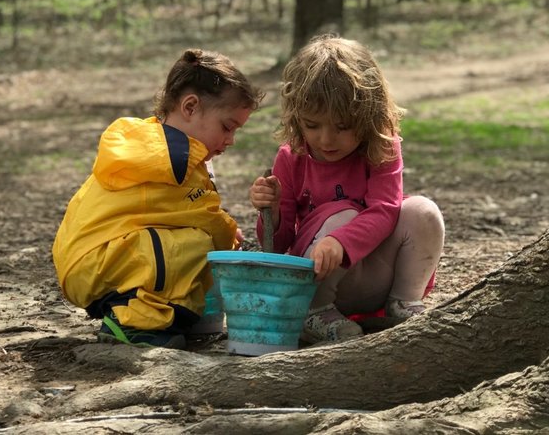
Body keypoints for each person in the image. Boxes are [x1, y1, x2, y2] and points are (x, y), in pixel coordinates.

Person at [53, 49, 263, 350]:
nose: (230, 140)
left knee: (186, 240)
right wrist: (232, 241)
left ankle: (153, 315)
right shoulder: (171, 162)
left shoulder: (149, 144)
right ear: (190, 107)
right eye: (227, 127)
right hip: (97, 263)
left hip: (88, 260)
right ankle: (133, 324)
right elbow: (205, 218)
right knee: (197, 243)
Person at [249, 34, 444, 344]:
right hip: (318, 281)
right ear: (297, 118)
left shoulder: (381, 147)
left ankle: (403, 303)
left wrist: (341, 242)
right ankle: (314, 313)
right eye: (313, 125)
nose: (326, 140)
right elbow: (277, 243)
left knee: (422, 212)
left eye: (342, 127)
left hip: (373, 276)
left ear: (368, 116)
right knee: (343, 213)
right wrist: (270, 212)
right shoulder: (292, 156)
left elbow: (385, 210)